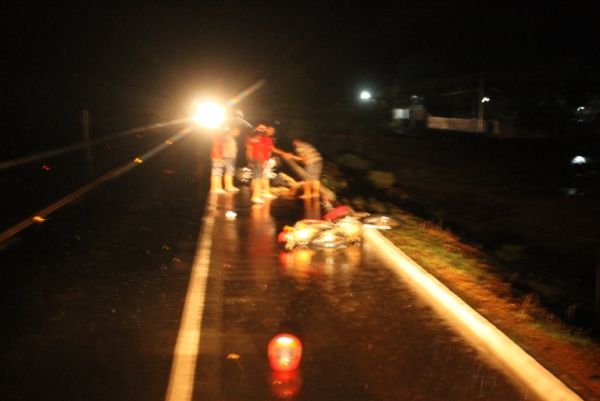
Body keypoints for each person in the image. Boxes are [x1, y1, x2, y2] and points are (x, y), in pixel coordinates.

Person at [246, 124, 268, 203]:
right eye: (261, 129)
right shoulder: (253, 139)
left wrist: (264, 161)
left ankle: (257, 195)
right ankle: (255, 196)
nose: (263, 130)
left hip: (259, 161)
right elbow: (249, 150)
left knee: (258, 178)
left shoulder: (260, 139)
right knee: (257, 178)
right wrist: (250, 161)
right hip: (256, 160)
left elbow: (262, 151)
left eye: (264, 129)